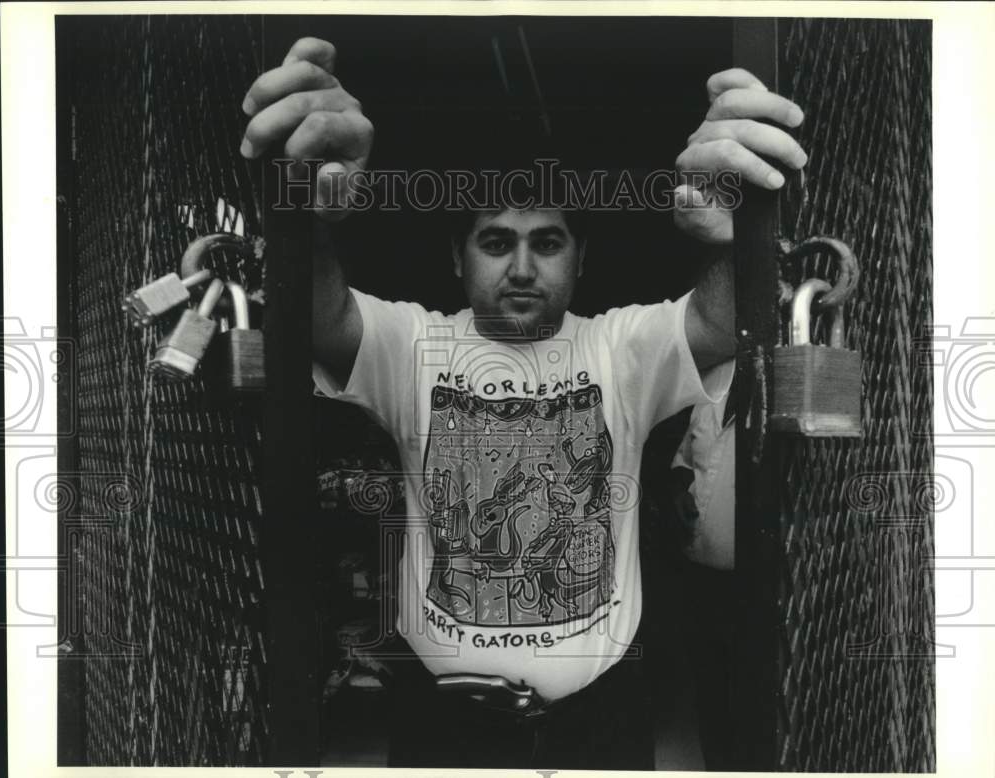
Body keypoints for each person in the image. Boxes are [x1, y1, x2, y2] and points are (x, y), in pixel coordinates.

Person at [239, 36, 807, 769]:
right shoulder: (411, 344)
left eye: (547, 242)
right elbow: (318, 316)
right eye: (496, 241)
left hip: (598, 720)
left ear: (580, 259)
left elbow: (723, 319)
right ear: (457, 257)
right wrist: (308, 210)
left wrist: (736, 234)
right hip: (445, 725)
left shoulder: (621, 347)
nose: (521, 267)